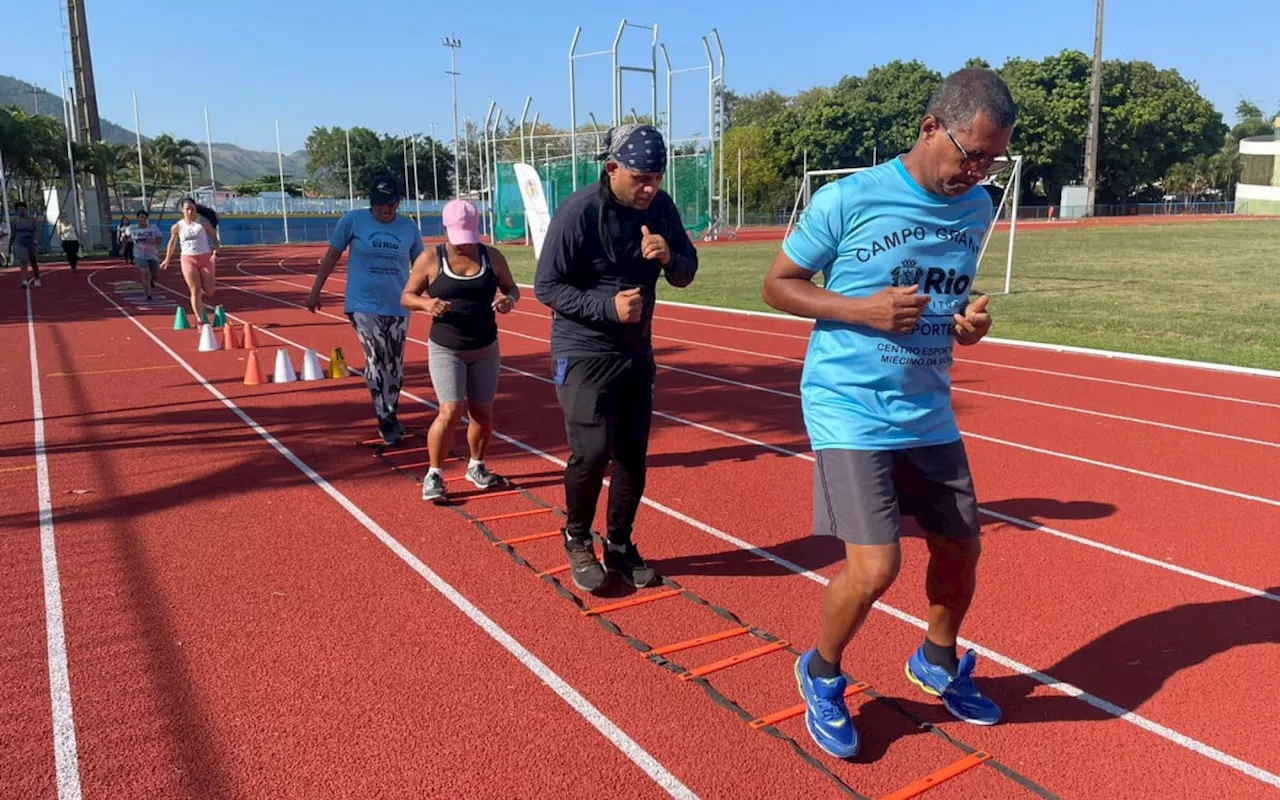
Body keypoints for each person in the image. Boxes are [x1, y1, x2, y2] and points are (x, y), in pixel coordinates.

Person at [760, 67, 1016, 759]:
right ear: (932, 126)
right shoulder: (851, 198)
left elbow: (946, 294)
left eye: (993, 159)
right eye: (972, 154)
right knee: (875, 568)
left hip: (928, 404)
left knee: (961, 549)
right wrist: (858, 308)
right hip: (850, 404)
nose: (979, 171)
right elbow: (778, 285)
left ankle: (937, 660)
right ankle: (820, 672)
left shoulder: (978, 208)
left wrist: (965, 323)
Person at [533, 123, 699, 593]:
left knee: (632, 456)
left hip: (636, 352)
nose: (649, 188)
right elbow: (546, 285)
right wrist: (606, 308)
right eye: (640, 178)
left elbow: (686, 273)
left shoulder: (661, 209)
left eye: (657, 178)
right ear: (612, 168)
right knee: (591, 452)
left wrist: (669, 257)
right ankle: (577, 537)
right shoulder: (580, 211)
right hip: (583, 350)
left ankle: (621, 545)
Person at [401, 198, 520, 503]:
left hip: (485, 347)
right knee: (450, 411)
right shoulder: (430, 258)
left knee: (482, 412)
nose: (464, 246)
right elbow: (407, 296)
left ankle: (477, 467)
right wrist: (428, 304)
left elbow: (512, 288)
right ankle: (434, 475)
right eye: (459, 240)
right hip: (447, 348)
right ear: (446, 229)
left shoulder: (491, 256)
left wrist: (510, 300)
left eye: (469, 239)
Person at [306, 175, 424, 446]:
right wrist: (315, 291)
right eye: (380, 204)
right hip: (363, 303)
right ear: (371, 203)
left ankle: (391, 411)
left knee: (394, 363)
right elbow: (332, 256)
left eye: (391, 204)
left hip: (398, 304)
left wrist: (435, 293)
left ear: (399, 203)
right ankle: (383, 415)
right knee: (376, 354)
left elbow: (421, 264)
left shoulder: (408, 228)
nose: (385, 210)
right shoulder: (353, 221)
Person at [160, 198, 221, 323]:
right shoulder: (177, 227)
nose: (190, 212)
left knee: (210, 291)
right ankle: (199, 319)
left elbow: (215, 238)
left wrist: (215, 252)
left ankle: (202, 288)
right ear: (182, 210)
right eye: (187, 209)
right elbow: (172, 243)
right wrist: (167, 259)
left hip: (205, 258)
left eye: (192, 209)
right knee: (195, 290)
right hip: (188, 259)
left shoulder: (203, 222)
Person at [128, 210, 164, 299]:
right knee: (145, 272)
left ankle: (151, 282)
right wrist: (123, 247)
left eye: (144, 217)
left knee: (155, 275)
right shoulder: (132, 228)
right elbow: (125, 237)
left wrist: (154, 241)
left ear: (147, 219)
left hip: (152, 255)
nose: (142, 219)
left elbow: (160, 239)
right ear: (138, 219)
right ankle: (148, 294)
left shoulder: (153, 228)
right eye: (141, 217)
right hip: (139, 255)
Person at [10, 203, 42, 288]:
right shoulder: (15, 221)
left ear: (26, 209)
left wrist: (36, 241)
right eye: (19, 210)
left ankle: (37, 278)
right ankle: (24, 280)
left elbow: (37, 231)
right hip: (20, 242)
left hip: (31, 242)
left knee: (33, 261)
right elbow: (13, 233)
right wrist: (11, 243)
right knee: (23, 261)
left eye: (22, 209)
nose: (21, 211)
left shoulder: (32, 220)